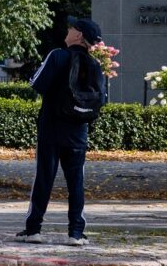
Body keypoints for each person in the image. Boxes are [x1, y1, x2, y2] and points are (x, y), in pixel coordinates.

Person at [16, 16, 105, 246]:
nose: (68, 29)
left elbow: (36, 83)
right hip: (78, 133)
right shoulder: (94, 65)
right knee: (76, 182)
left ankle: (33, 230)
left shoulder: (57, 56)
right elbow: (101, 99)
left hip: (51, 129)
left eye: (72, 27)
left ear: (78, 36)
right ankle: (75, 233)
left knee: (44, 178)